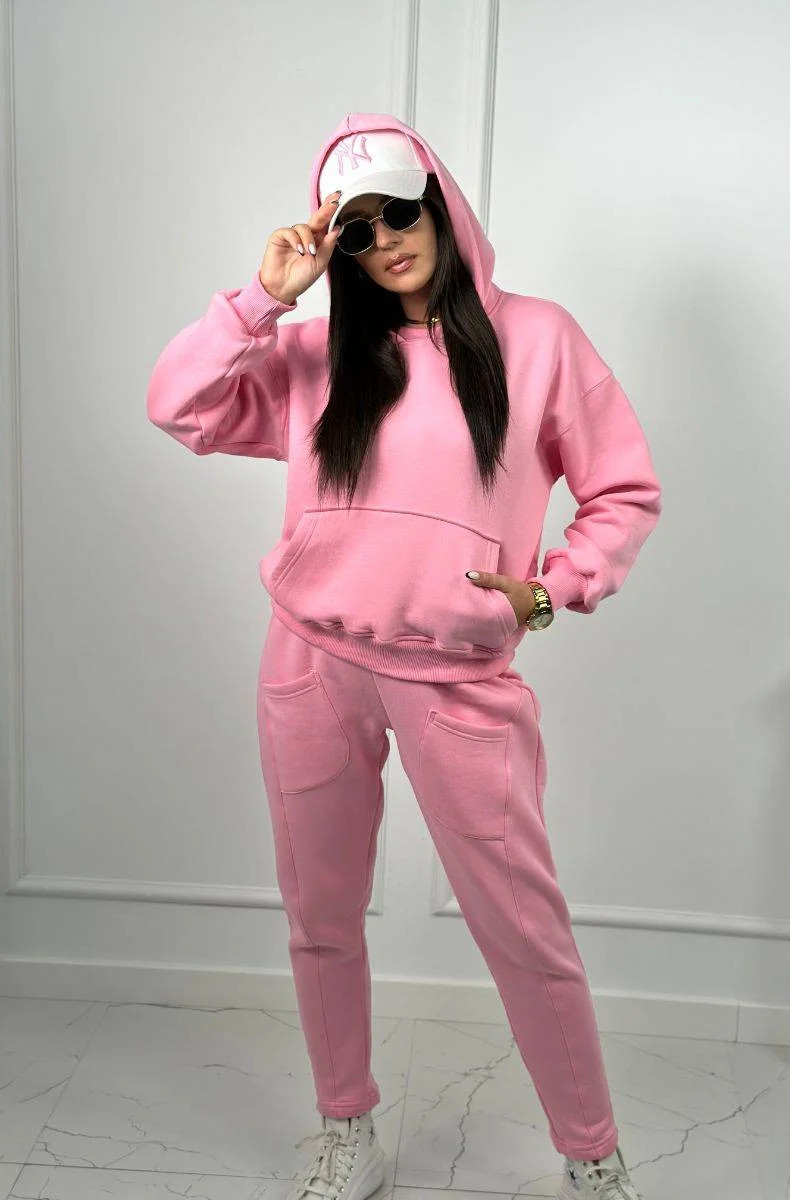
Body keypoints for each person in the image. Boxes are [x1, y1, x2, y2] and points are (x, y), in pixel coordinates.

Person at [147, 112, 662, 1200]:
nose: (385, 240)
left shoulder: (536, 340)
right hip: (309, 661)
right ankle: (349, 1128)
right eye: (357, 228)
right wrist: (264, 298)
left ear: (439, 207)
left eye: (399, 212)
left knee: (522, 926)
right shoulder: (313, 357)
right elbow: (178, 406)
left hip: (456, 681)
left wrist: (552, 588)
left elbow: (621, 491)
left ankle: (592, 1153)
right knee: (321, 913)